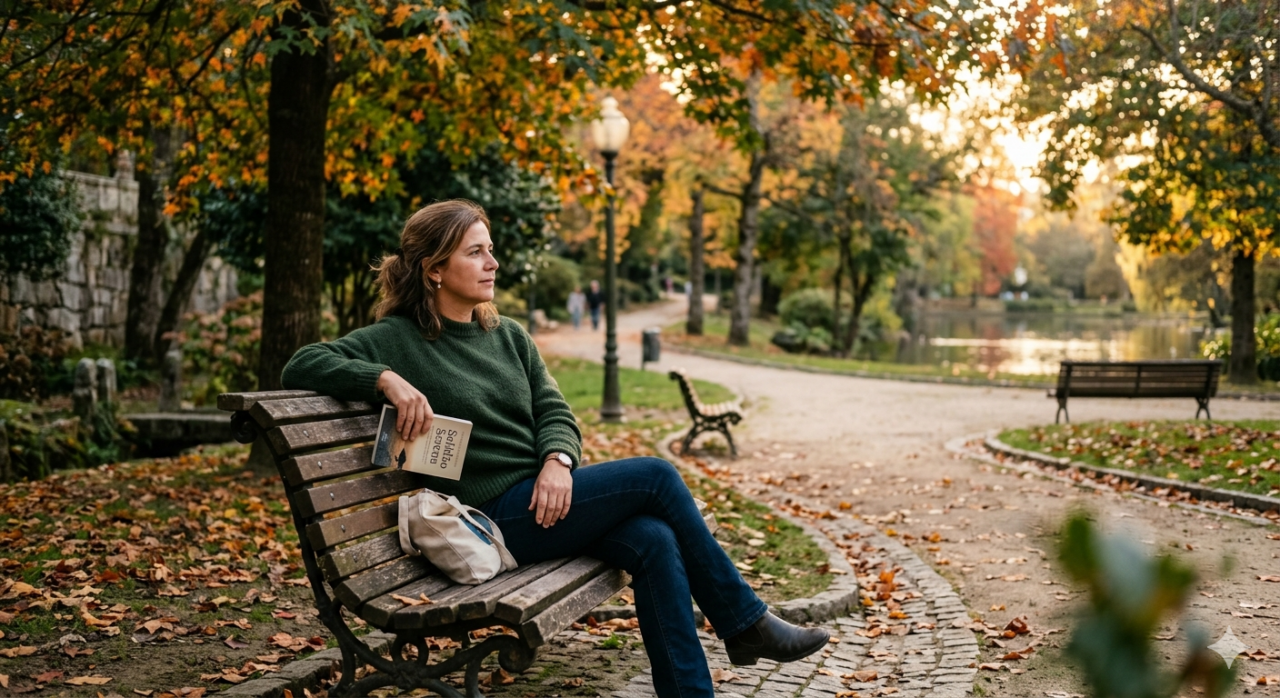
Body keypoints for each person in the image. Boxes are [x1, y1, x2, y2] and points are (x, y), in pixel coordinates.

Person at [280, 200, 828, 698]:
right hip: (492, 518)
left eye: (490, 250)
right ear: (435, 269)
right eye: (476, 252)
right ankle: (745, 623)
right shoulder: (397, 339)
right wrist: (385, 380)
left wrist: (557, 462)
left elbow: (556, 412)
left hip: (544, 501)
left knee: (654, 538)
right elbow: (301, 364)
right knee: (657, 476)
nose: (493, 263)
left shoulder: (509, 335)